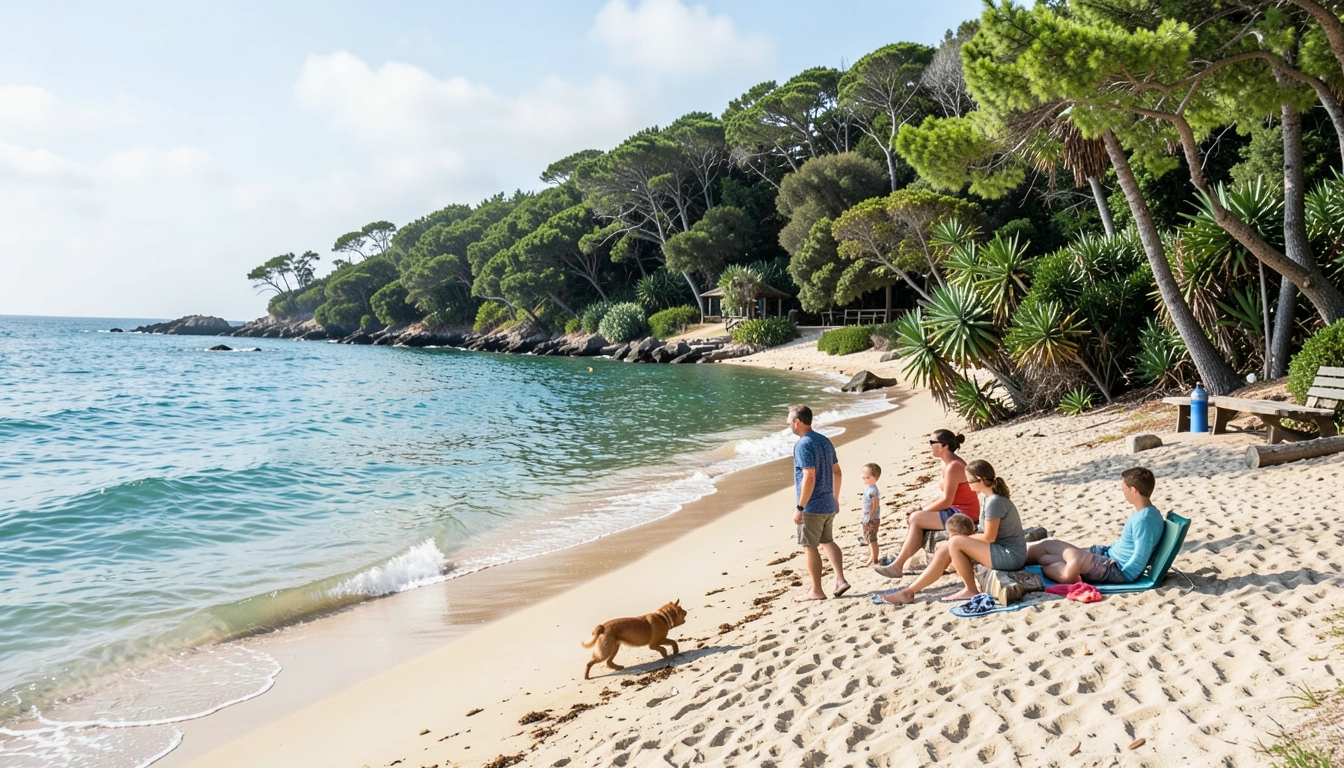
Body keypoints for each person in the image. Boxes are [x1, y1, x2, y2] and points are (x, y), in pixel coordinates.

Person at [877, 459, 1026, 605]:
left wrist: (960, 538)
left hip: (1010, 556)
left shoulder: (994, 502)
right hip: (1000, 550)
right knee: (945, 548)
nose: (968, 485)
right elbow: (986, 532)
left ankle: (970, 590)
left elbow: (989, 537)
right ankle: (909, 591)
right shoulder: (988, 498)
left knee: (954, 541)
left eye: (969, 481)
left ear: (980, 480)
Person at [1025, 467, 1163, 585]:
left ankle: (1066, 573)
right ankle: (1031, 559)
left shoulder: (1144, 521)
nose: (1123, 491)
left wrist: (1124, 576)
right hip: (1108, 555)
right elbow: (1125, 544)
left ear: (1133, 490)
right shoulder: (1147, 513)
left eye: (1123, 488)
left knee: (1069, 560)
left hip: (1116, 569)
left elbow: (1140, 557)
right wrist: (1107, 551)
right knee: (1049, 548)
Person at [873, 429, 980, 579]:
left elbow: (946, 500)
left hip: (964, 513)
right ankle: (900, 562)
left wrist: (920, 512)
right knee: (916, 517)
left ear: (943, 446)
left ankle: (898, 565)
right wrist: (920, 509)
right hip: (954, 509)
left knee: (916, 519)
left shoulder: (954, 466)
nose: (930, 446)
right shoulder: (945, 464)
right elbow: (944, 496)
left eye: (932, 442)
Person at [787, 404, 849, 602]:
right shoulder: (824, 441)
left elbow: (809, 477)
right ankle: (840, 579)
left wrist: (800, 507)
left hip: (812, 506)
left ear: (797, 422)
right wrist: (835, 498)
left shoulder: (803, 444)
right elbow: (837, 471)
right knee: (827, 541)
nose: (788, 424)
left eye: (789, 421)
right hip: (828, 502)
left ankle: (816, 591)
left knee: (809, 546)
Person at [858, 463, 882, 566]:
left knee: (872, 539)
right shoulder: (868, 488)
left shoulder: (873, 490)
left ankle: (875, 559)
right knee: (867, 538)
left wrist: (870, 516)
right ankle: (872, 557)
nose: (865, 480)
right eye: (863, 478)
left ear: (875, 478)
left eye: (868, 478)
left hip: (872, 518)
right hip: (866, 517)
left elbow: (875, 505)